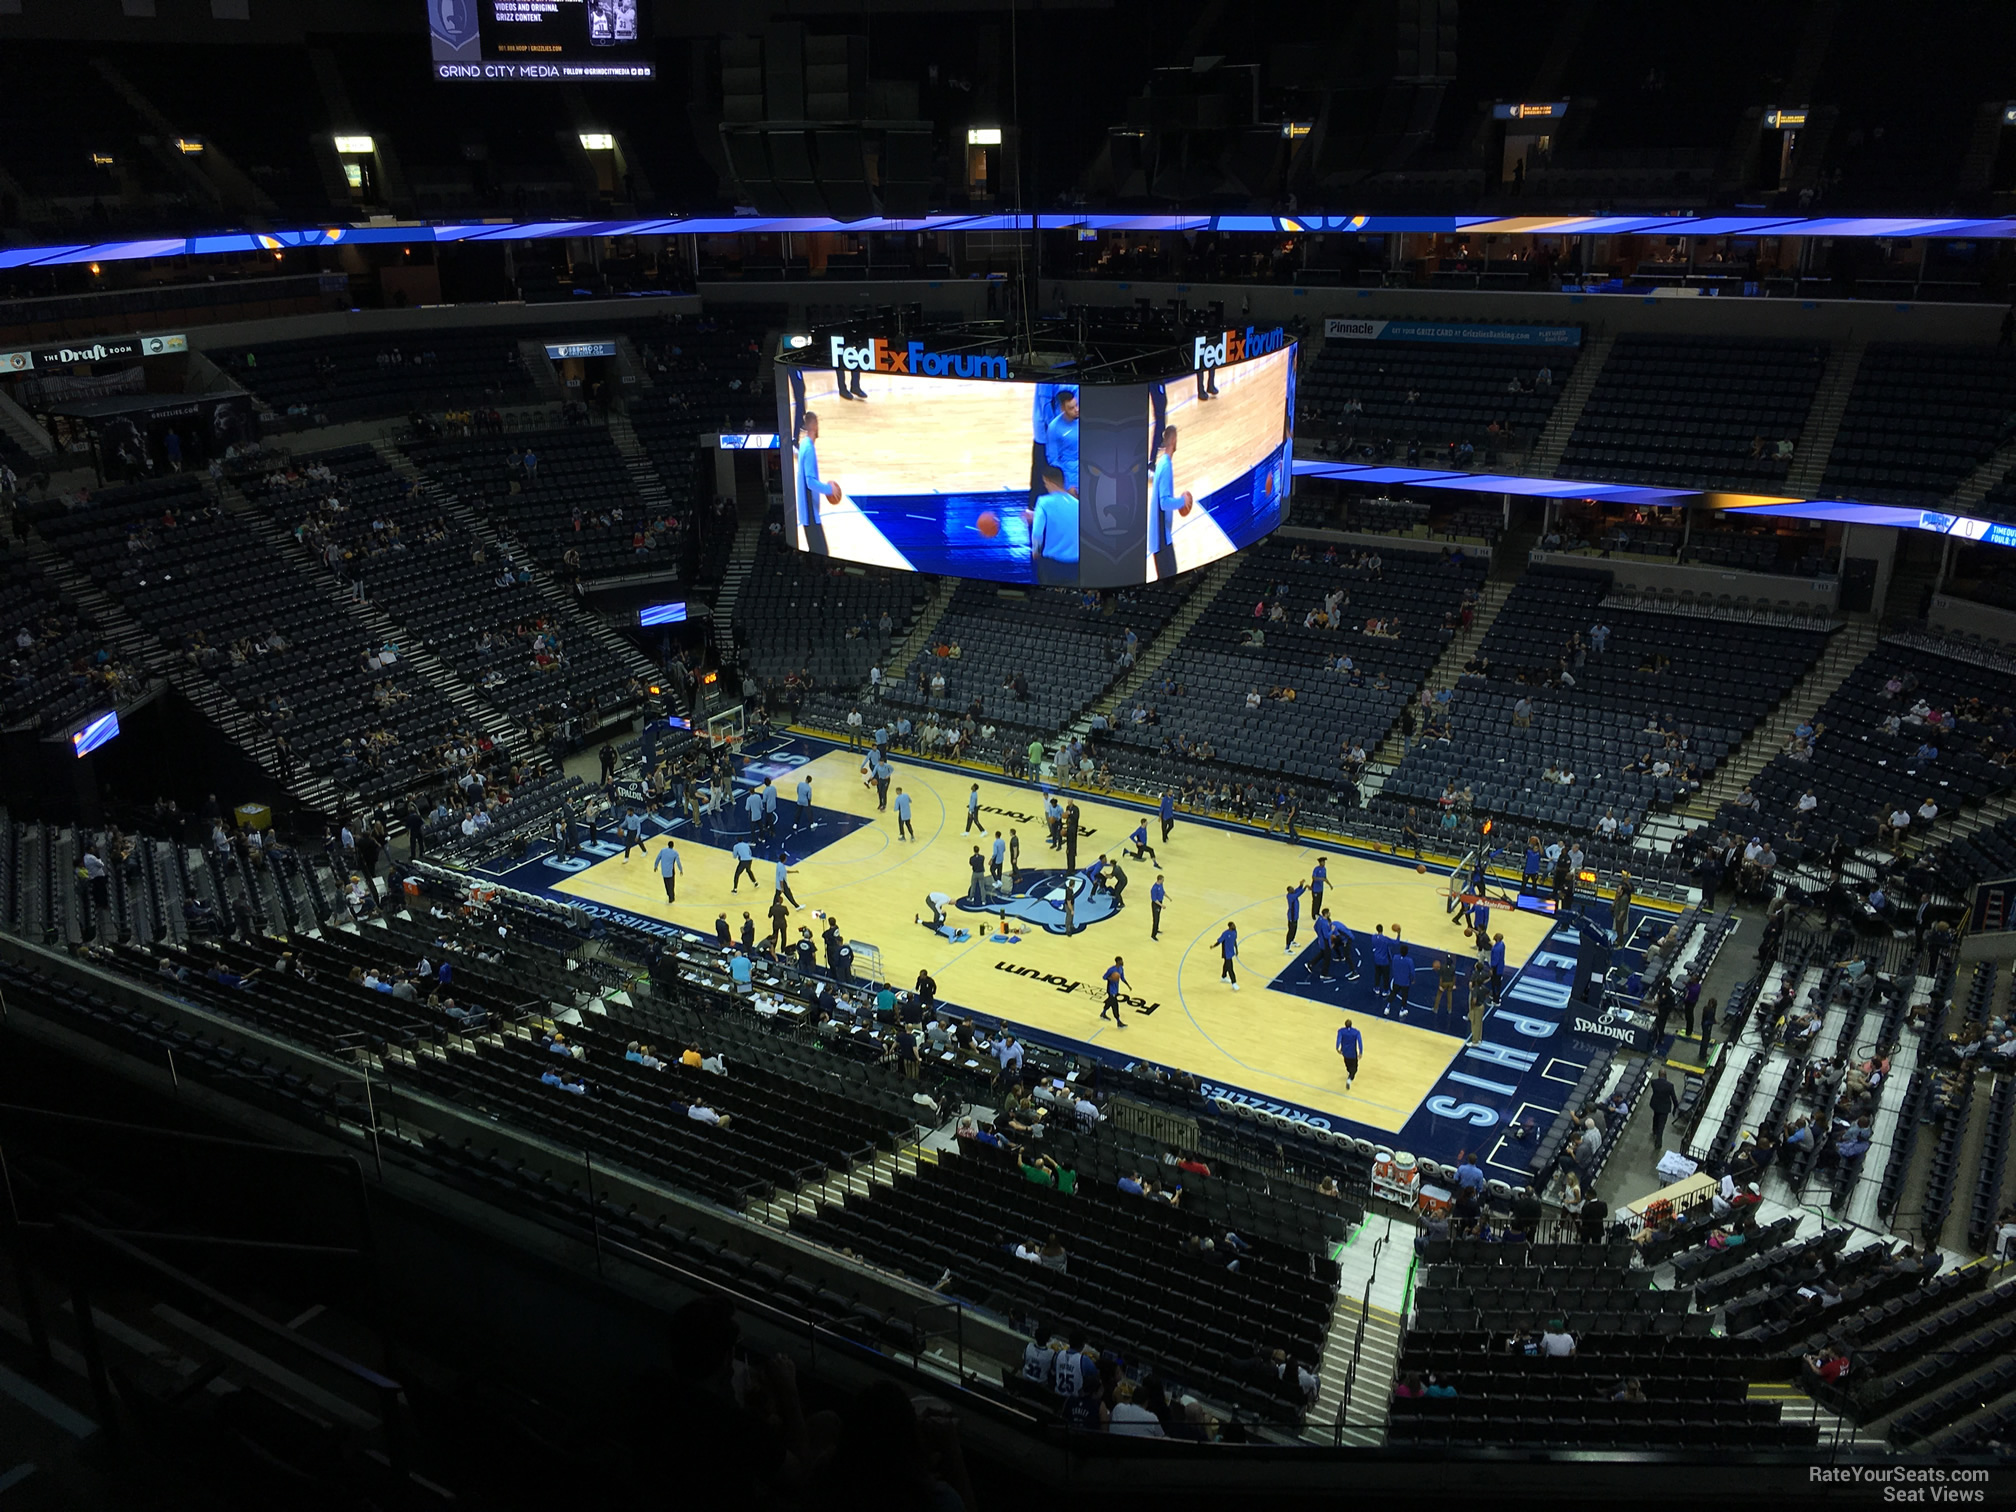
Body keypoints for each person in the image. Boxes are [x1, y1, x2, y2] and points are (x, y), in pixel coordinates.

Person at [795, 410, 839, 553]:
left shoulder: (804, 445)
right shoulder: (808, 449)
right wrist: (830, 489)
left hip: (807, 512)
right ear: (813, 426)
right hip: (810, 514)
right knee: (822, 554)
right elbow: (810, 483)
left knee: (817, 553)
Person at [1029, 464, 1079, 586]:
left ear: (1048, 481)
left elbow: (1037, 532)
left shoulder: (1043, 501)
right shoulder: (1077, 504)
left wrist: (1036, 550)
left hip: (1053, 564)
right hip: (1075, 563)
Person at [1647, 1071, 1677, 1154]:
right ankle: (1658, 1143)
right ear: (1666, 1075)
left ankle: (1654, 1130)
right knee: (1661, 1125)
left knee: (1655, 1117)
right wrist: (1676, 1106)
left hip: (1656, 1105)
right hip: (1664, 1107)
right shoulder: (1670, 1086)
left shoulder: (1654, 1082)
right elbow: (1673, 1097)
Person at [1101, 956, 1131, 1027]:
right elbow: (1104, 977)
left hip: (1116, 990)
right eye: (1121, 961)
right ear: (1117, 962)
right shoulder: (1111, 970)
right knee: (1115, 1006)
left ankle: (1103, 1013)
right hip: (1111, 990)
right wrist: (1110, 978)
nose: (1122, 962)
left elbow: (1122, 978)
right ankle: (1118, 1021)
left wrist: (1128, 985)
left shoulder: (1121, 969)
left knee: (1109, 1002)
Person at [1336, 1018, 1363, 1089]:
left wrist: (1337, 1048)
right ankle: (1349, 1079)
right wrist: (1360, 1052)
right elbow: (1360, 1042)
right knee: (1355, 1069)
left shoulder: (1341, 1031)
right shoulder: (1356, 1032)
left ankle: (1349, 1072)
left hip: (1344, 1052)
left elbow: (1338, 1039)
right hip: (1353, 1053)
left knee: (1347, 1063)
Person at [1218, 920, 1240, 991]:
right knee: (1230, 968)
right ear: (1230, 926)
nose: (1234, 926)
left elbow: (1234, 941)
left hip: (1230, 953)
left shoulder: (1234, 932)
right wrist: (1213, 946)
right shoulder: (1225, 933)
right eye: (1233, 925)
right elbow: (1219, 941)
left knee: (1226, 965)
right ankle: (1234, 983)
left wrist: (1236, 950)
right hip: (1226, 953)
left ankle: (1223, 977)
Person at [1150, 873, 1169, 940]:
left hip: (1160, 903)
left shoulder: (1161, 885)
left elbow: (1163, 892)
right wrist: (1162, 905)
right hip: (1156, 904)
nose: (1163, 881)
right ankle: (1153, 935)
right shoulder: (1154, 888)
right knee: (1156, 920)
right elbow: (1154, 899)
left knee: (1158, 918)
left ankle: (1156, 930)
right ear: (1159, 880)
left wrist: (1168, 897)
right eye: (1162, 880)